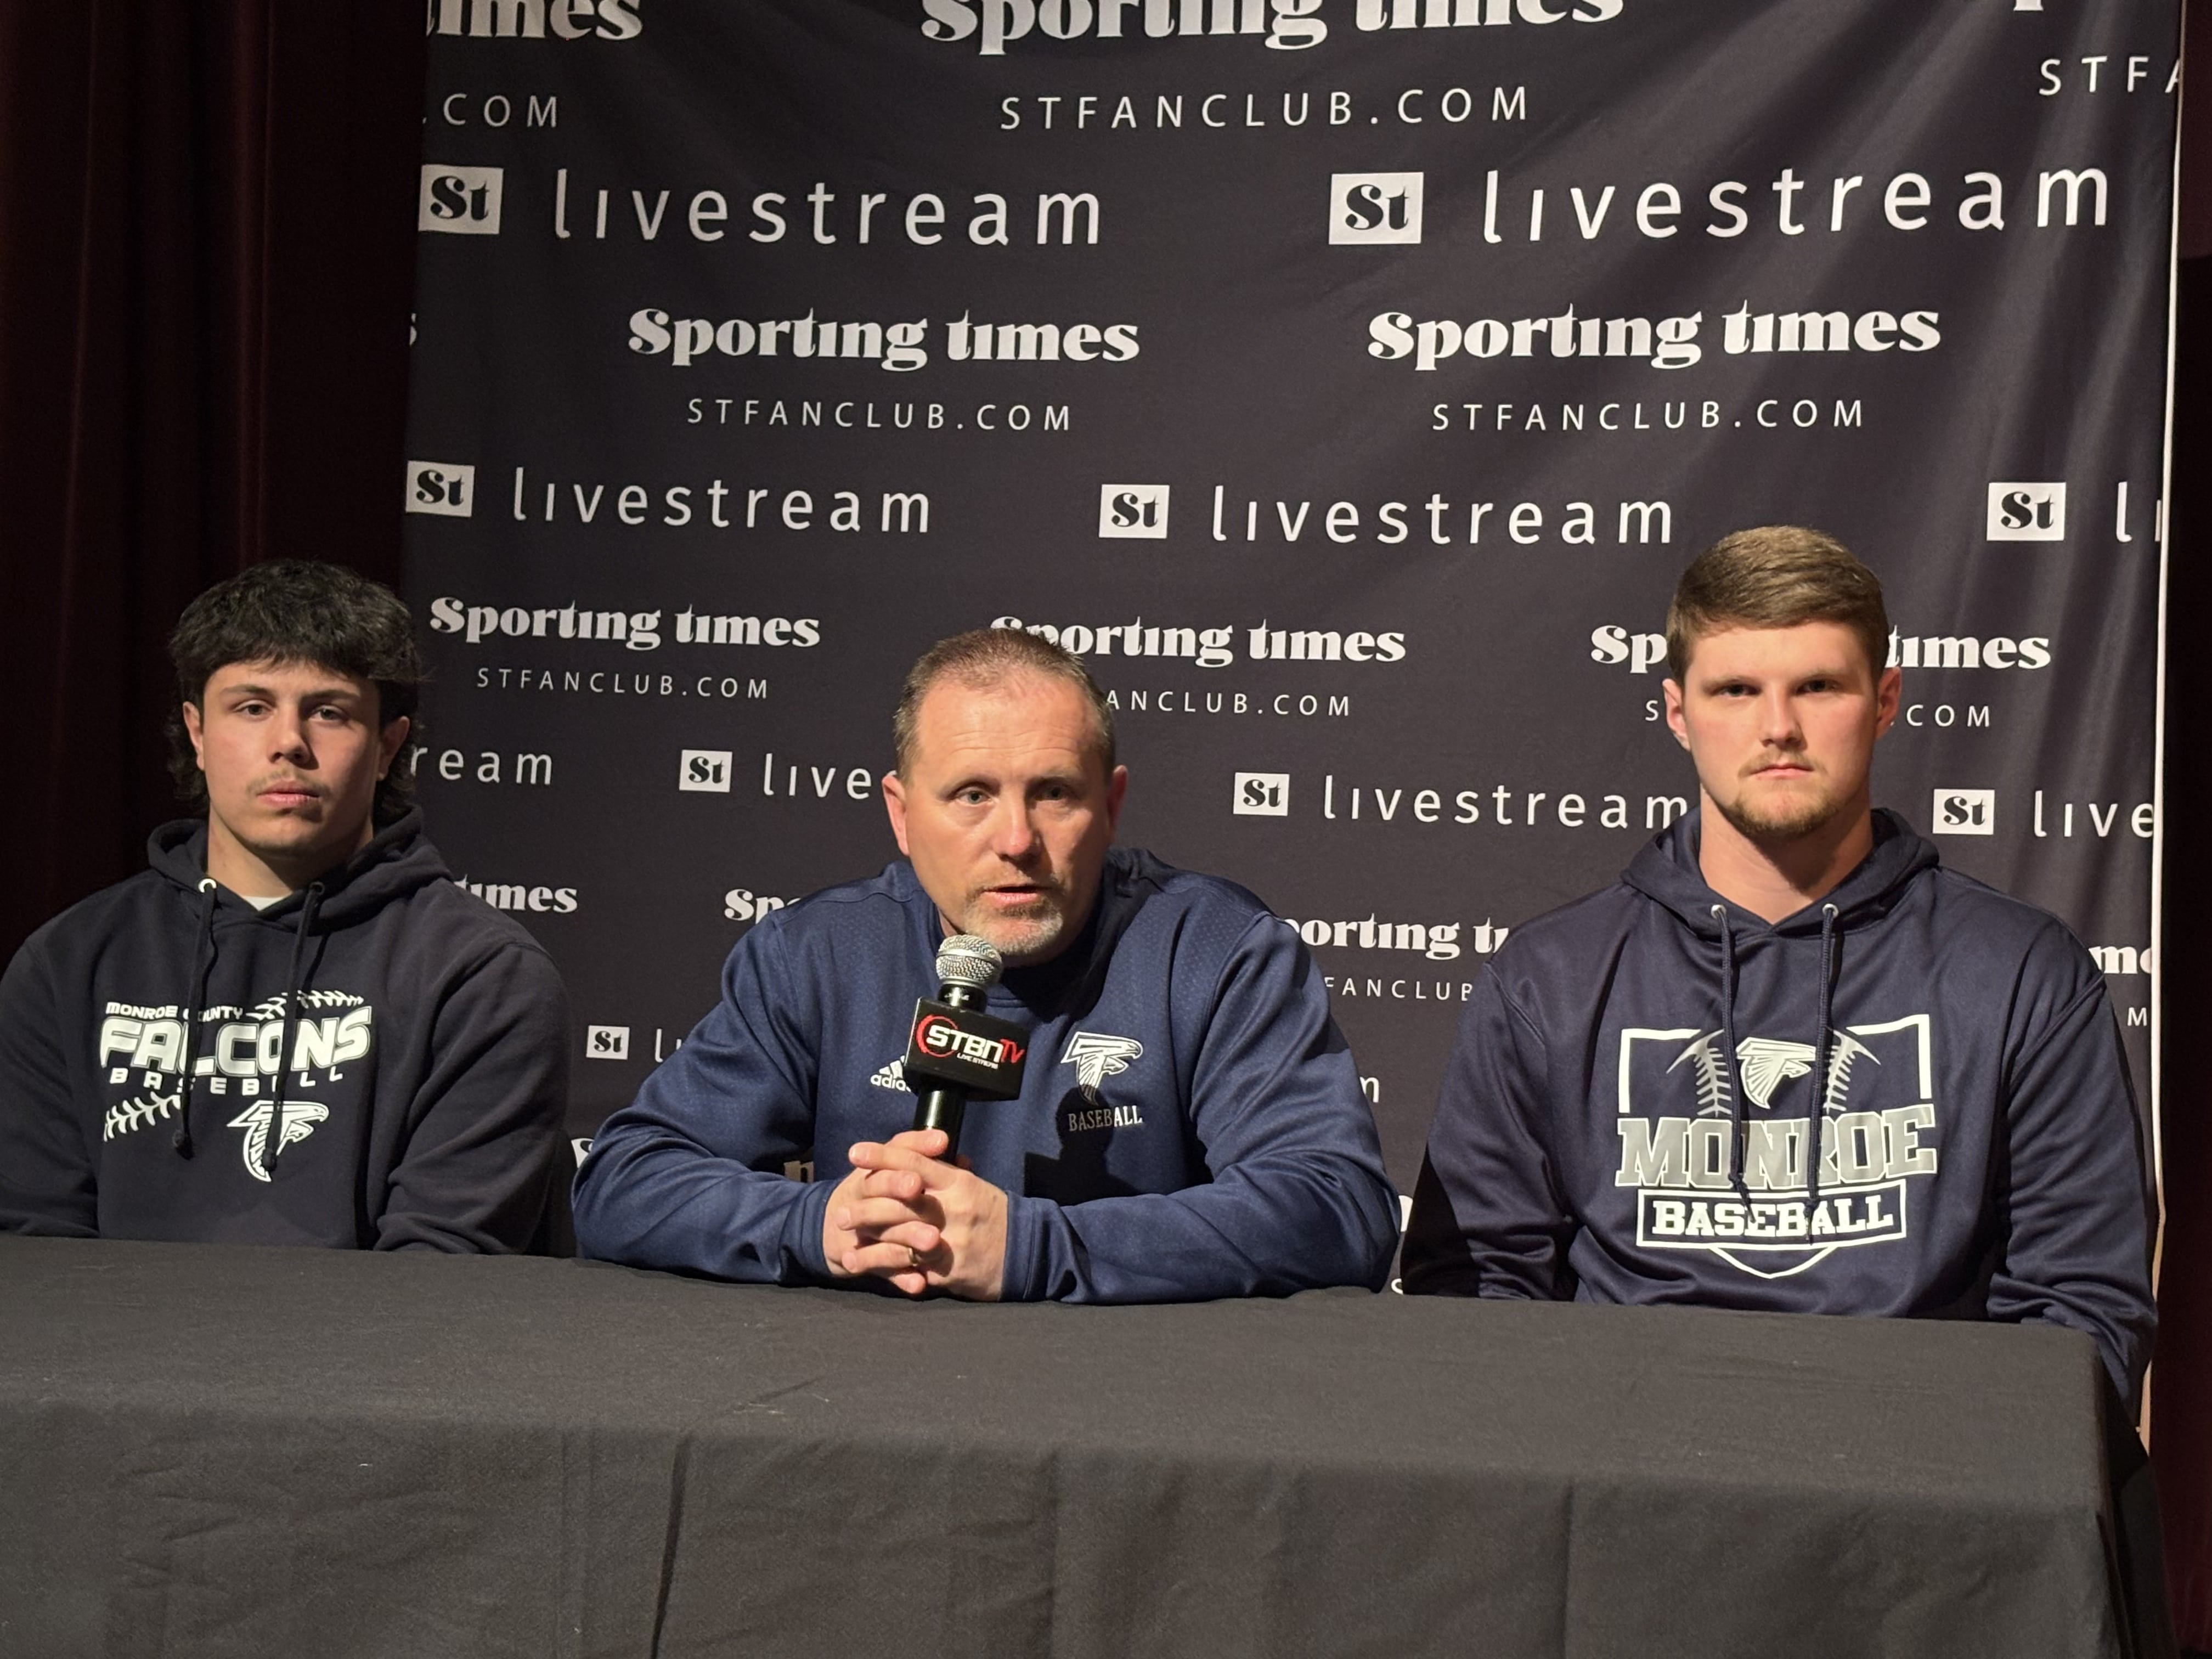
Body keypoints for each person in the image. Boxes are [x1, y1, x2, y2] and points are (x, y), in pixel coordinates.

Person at [1401, 526, 2157, 1400]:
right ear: (1678, 712)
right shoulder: (1549, 980)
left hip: (1920, 1467)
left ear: (1885, 700)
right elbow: (1473, 1296)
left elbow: (2083, 1309)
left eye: (1818, 687)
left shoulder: (2020, 972)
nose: (1778, 729)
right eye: (1736, 690)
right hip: (1619, 1459)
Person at [574, 627, 1397, 1300]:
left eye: (1053, 793)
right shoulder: (818, 955)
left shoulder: (1214, 950)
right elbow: (624, 1183)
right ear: (902, 815)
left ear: (1111, 806)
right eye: (972, 794)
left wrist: (1031, 1248)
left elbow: (1336, 1207)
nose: (1015, 840)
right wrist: (820, 1224)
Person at [0, 561, 571, 1250]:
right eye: (252, 707)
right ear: (197, 733)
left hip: (382, 1326)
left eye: (329, 712)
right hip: (100, 1325)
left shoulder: (482, 976)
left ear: (388, 747)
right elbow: (37, 1245)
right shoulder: (68, 963)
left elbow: (442, 1269)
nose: (289, 743)